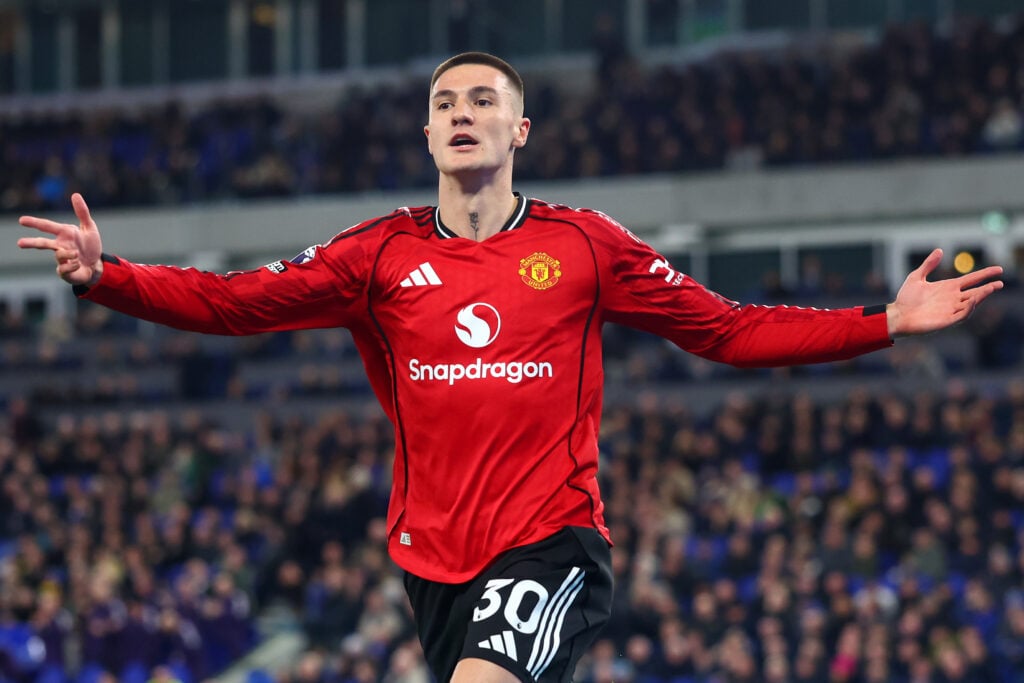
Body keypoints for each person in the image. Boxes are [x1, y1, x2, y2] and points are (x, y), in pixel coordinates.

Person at [17, 52, 1003, 683]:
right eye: (444, 101)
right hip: (428, 556)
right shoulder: (378, 255)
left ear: (517, 131)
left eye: (483, 100)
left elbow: (725, 327)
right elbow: (235, 304)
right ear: (427, 133)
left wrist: (882, 319)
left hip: (550, 539)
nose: (461, 111)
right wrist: (110, 277)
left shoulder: (584, 246)